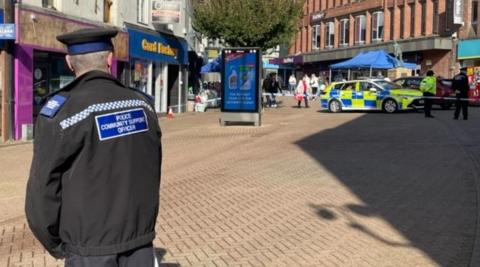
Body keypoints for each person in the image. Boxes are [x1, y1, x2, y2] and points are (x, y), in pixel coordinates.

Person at [25, 28, 162, 266]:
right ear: (110, 58)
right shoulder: (143, 106)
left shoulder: (61, 113)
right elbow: (153, 168)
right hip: (140, 245)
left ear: (69, 63)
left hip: (89, 249)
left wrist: (57, 244)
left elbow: (42, 190)